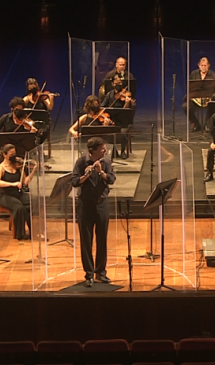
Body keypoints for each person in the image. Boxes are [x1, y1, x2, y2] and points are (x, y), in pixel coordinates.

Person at [71, 137, 116, 287]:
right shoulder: (81, 162)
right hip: (86, 205)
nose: (105, 150)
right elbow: (74, 181)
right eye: (102, 148)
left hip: (102, 204)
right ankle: (89, 273)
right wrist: (86, 175)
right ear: (94, 151)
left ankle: (101, 272)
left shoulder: (106, 162)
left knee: (102, 238)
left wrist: (100, 172)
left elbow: (111, 179)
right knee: (86, 241)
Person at [0, 144, 34, 240]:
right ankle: (20, 234)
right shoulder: (1, 168)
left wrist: (34, 170)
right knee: (19, 207)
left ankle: (34, 231)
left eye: (15, 153)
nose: (14, 156)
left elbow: (25, 182)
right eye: (11, 154)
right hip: (5, 195)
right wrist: (13, 184)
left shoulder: (17, 165)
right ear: (5, 155)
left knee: (32, 202)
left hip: (17, 193)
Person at [100, 76, 134, 158]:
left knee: (123, 133)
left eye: (120, 83)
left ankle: (122, 151)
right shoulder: (109, 95)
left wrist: (127, 103)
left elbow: (127, 111)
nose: (118, 85)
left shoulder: (127, 94)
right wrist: (106, 116)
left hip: (123, 122)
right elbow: (102, 107)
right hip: (112, 121)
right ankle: (113, 150)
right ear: (112, 84)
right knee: (106, 132)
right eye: (116, 83)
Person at [183, 57, 215, 132]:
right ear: (199, 65)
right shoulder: (194, 74)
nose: (203, 67)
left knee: (214, 105)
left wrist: (210, 99)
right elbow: (190, 87)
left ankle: (208, 125)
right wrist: (192, 97)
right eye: (202, 65)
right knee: (185, 107)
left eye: (205, 65)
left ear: (208, 66)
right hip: (195, 99)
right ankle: (196, 124)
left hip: (208, 99)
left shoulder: (213, 76)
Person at [22, 78, 56, 147]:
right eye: (30, 85)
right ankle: (32, 147)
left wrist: (51, 99)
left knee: (41, 132)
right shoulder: (26, 99)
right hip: (32, 122)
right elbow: (21, 110)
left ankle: (36, 146)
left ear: (37, 85)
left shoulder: (42, 97)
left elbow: (50, 107)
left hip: (44, 122)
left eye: (33, 85)